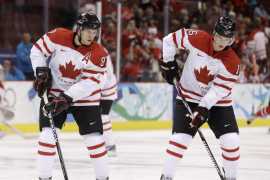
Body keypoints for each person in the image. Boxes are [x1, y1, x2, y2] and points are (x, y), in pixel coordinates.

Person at [30, 12, 110, 180]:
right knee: (47, 136)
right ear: (79, 29)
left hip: (85, 98)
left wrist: (67, 98)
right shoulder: (58, 35)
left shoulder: (99, 54)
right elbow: (37, 50)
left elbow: (91, 83)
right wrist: (41, 71)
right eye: (88, 30)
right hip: (55, 92)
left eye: (95, 31)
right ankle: (44, 177)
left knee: (94, 140)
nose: (92, 35)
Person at [159, 16, 241, 180]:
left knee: (231, 141)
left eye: (226, 38)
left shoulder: (233, 63)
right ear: (213, 33)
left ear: (232, 40)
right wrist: (169, 64)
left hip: (219, 104)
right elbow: (169, 40)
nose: (220, 41)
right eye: (218, 35)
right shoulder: (197, 37)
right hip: (188, 97)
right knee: (179, 139)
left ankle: (231, 177)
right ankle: (166, 177)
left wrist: (203, 109)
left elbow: (219, 91)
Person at [100, 55, 117, 156]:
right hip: (104, 85)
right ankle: (107, 145)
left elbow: (106, 75)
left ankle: (110, 146)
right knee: (101, 117)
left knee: (103, 117)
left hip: (107, 87)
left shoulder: (101, 53)